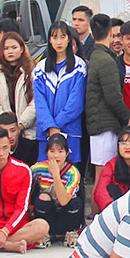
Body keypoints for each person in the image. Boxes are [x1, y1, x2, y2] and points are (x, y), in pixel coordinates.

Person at [85, 13, 130, 202]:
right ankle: (97, 219)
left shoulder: (96, 56)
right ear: (110, 34)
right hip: (104, 126)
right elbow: (113, 97)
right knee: (103, 177)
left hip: (99, 124)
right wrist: (128, 117)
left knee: (102, 176)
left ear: (92, 34)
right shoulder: (107, 61)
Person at [0, 126, 50, 253]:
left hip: (15, 227)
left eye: (5, 148)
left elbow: (22, 208)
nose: (1, 153)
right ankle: (8, 245)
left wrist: (5, 232)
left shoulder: (23, 170)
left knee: (42, 226)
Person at [34, 21, 87, 161]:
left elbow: (76, 102)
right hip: (46, 132)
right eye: (54, 37)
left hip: (70, 131)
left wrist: (57, 125)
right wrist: (50, 126)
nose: (59, 41)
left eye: (62, 36)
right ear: (49, 40)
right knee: (45, 176)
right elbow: (39, 102)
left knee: (69, 175)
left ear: (69, 39)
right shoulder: (40, 68)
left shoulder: (79, 66)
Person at [0, 32, 38, 165]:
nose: (10, 51)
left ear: (22, 49)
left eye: (14, 47)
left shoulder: (31, 71)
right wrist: (5, 127)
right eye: (6, 48)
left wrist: (20, 124)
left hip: (27, 130)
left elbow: (35, 102)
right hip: (5, 131)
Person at [31, 133, 83, 246]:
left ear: (67, 153)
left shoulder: (73, 172)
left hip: (66, 215)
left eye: (60, 151)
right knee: (42, 198)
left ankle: (70, 233)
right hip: (47, 216)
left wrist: (56, 175)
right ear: (47, 153)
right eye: (52, 151)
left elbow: (64, 200)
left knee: (75, 202)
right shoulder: (38, 168)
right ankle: (45, 234)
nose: (56, 156)